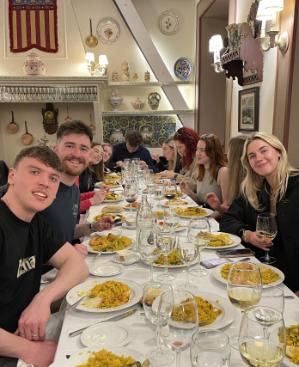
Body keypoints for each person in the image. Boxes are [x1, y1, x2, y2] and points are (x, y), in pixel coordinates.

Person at [0, 146, 89, 367]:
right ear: (12, 176)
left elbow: (77, 265)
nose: (45, 183)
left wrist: (42, 299)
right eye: (34, 172)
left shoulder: (37, 221)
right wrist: (30, 350)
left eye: (53, 178)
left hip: (28, 333)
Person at [220, 132, 299, 294]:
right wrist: (247, 235)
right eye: (252, 156)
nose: (259, 158)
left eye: (264, 151)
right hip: (265, 276)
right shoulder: (253, 190)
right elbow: (227, 219)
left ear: (278, 152)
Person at [42, 121, 112, 256]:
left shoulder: (73, 190)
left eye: (84, 149)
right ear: (55, 149)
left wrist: (92, 227)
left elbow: (65, 231)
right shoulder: (40, 190)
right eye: (69, 146)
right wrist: (65, 254)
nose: (77, 154)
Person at [180, 134, 229, 216]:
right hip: (202, 215)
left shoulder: (223, 172)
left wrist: (207, 219)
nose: (197, 153)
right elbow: (200, 200)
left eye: (202, 150)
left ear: (212, 152)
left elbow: (227, 208)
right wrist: (188, 192)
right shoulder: (201, 169)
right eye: (197, 149)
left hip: (216, 220)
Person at [206, 135, 247, 214]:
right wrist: (219, 207)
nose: (227, 154)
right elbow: (231, 211)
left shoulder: (225, 172)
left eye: (229, 151)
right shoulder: (234, 176)